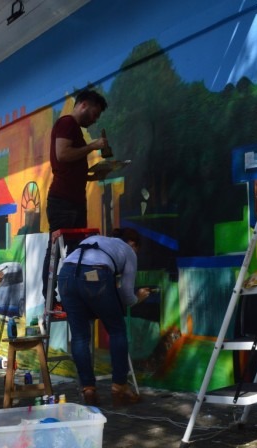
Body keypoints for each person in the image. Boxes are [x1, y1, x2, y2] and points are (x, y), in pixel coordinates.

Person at [57, 228, 151, 407]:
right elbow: (126, 294)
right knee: (117, 330)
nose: (136, 253)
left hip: (66, 275)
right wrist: (138, 297)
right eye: (137, 249)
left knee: (79, 336)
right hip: (94, 275)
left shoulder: (98, 241)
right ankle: (119, 387)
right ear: (133, 244)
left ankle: (89, 389)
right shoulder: (129, 251)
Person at [42, 88, 110, 300]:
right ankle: (51, 296)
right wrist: (93, 146)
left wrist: (93, 176)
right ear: (83, 105)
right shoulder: (67, 123)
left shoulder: (74, 129)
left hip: (73, 200)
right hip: (63, 201)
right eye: (94, 114)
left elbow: (70, 169)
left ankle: (71, 294)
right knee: (58, 249)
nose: (95, 119)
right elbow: (62, 155)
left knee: (75, 251)